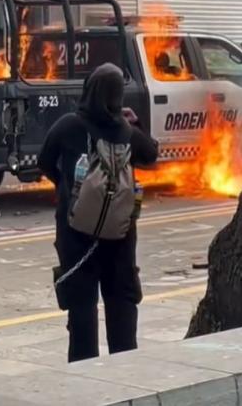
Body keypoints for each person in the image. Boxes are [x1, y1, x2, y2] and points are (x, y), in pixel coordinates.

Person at [37, 64, 159, 362]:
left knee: (82, 311)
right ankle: (125, 372)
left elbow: (43, 161)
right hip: (120, 239)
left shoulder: (68, 126)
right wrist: (136, 123)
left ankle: (85, 378)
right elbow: (152, 156)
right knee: (121, 307)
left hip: (76, 238)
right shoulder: (128, 133)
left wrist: (68, 189)